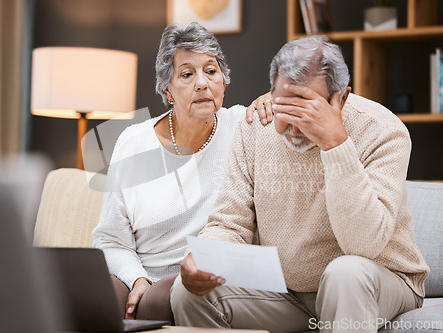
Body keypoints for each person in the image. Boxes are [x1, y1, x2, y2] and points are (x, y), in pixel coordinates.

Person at [171, 35, 429, 333]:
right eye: (284, 107)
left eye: (306, 110)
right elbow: (229, 223)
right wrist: (206, 256)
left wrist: (336, 144)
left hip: (377, 279)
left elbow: (363, 245)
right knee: (186, 292)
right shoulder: (256, 127)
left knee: (345, 274)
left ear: (341, 99)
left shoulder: (382, 131)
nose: (292, 127)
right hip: (289, 292)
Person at [92, 22, 266, 320]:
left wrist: (273, 101)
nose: (202, 83)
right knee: (95, 297)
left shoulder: (243, 126)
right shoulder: (133, 141)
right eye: (187, 74)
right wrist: (137, 279)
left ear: (223, 81)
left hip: (205, 277)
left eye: (211, 71)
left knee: (162, 299)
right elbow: (110, 239)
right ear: (167, 89)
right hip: (140, 273)